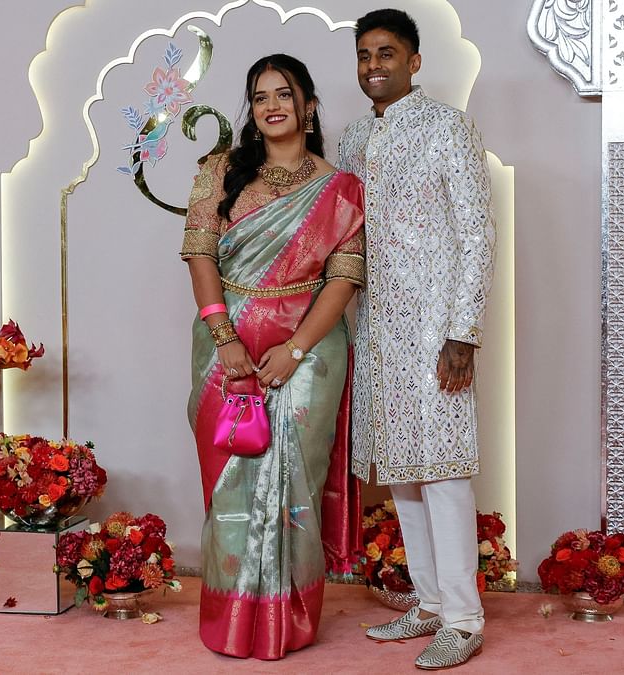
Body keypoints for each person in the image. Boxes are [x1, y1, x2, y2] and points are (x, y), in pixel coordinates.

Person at [181, 53, 365, 660]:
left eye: (285, 94)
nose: (272, 105)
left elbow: (343, 280)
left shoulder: (340, 188)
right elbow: (200, 256)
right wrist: (223, 336)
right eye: (260, 97)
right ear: (252, 111)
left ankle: (289, 618)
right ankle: (232, 616)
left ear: (309, 105)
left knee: (296, 489)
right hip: (224, 348)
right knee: (230, 484)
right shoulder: (219, 171)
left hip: (309, 352)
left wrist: (295, 348)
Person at [338, 9, 496, 670]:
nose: (375, 66)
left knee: (444, 470)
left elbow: (477, 231)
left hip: (434, 330)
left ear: (414, 61)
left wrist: (463, 332)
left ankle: (463, 617)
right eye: (365, 54)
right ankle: (429, 601)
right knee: (402, 471)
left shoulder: (446, 127)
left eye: (388, 53)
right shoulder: (352, 138)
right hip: (375, 330)